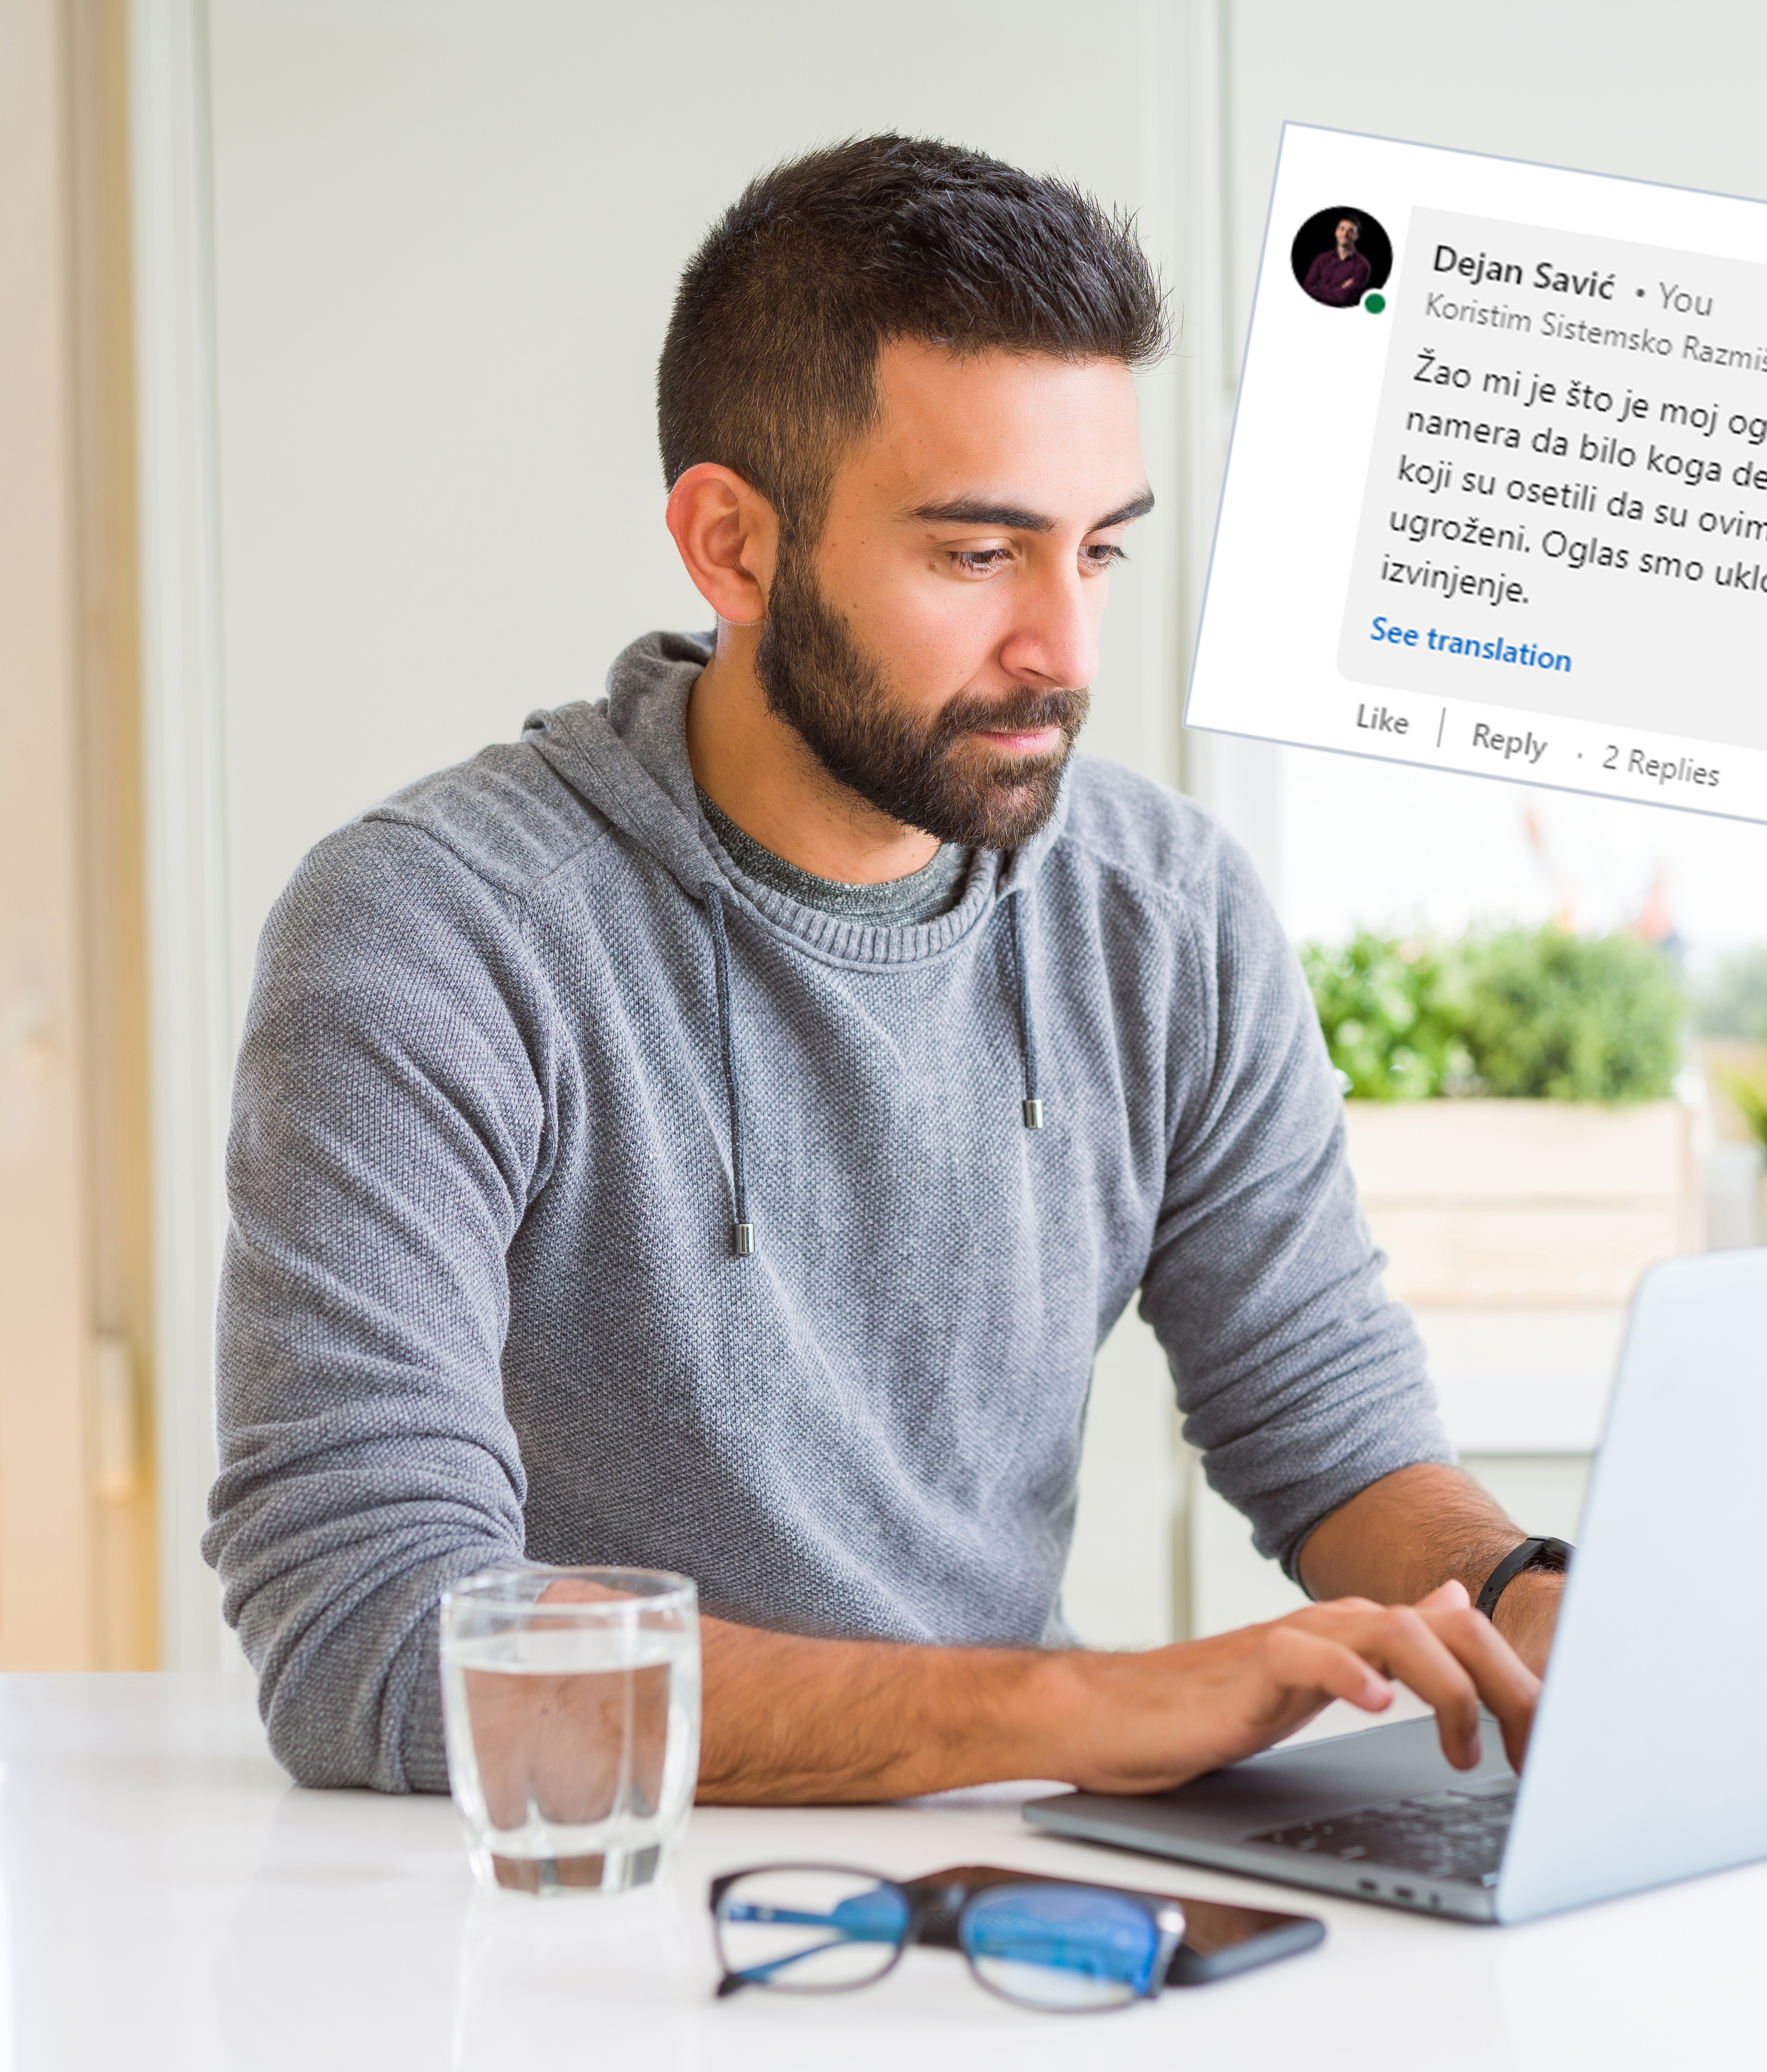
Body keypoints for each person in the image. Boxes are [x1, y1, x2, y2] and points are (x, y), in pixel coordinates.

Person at [206, 136, 1561, 1803]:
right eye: (976, 554)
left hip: (1009, 1891)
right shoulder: (436, 931)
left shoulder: (1165, 908)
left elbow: (1330, 1428)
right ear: (730, 547)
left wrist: (1522, 1596)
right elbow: (369, 1629)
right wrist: (1068, 1712)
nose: (1062, 650)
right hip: (579, 1903)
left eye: (1097, 551)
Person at [1300, 215, 1374, 307]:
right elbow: (1307, 288)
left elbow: (1345, 298)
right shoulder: (1322, 259)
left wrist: (1320, 288)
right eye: (1342, 229)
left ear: (1357, 236)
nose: (1345, 234)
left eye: (1351, 231)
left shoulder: (1363, 266)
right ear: (1336, 232)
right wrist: (1338, 290)